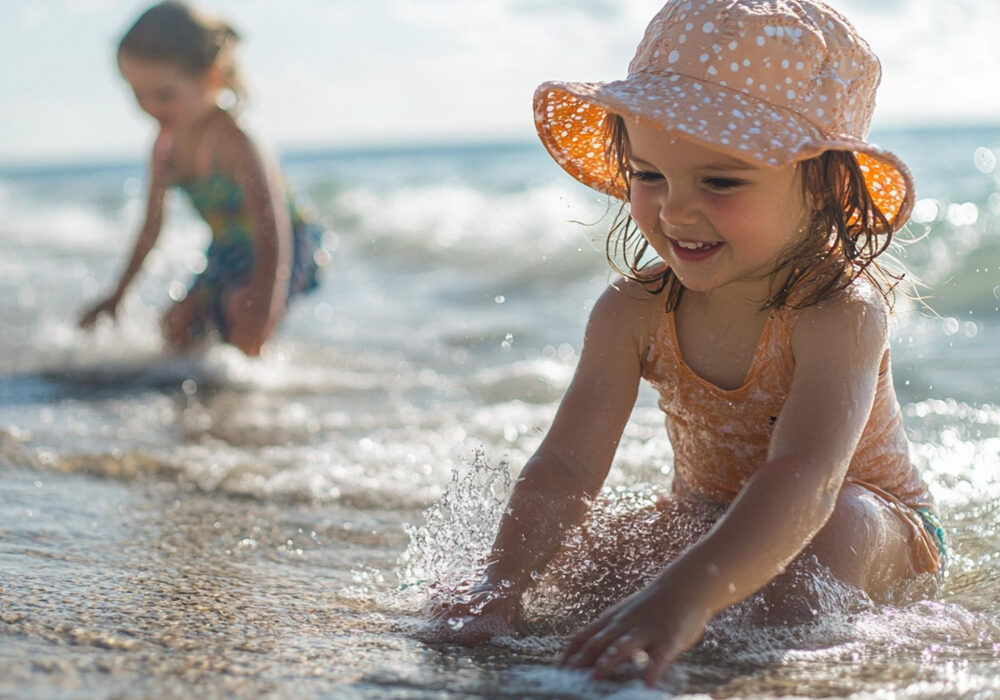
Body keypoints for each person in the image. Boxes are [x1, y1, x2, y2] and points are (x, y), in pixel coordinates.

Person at [422, 0, 946, 685]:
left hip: (870, 527)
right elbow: (568, 470)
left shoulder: (836, 312)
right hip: (710, 516)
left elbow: (806, 479)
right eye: (649, 175)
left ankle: (755, 654)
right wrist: (503, 583)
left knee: (840, 522)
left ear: (823, 184)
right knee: (592, 558)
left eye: (720, 180)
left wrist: (684, 595)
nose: (673, 209)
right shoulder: (632, 310)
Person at [79, 1, 326, 357]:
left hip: (285, 247)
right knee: (175, 325)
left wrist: (266, 303)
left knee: (244, 311)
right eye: (137, 93)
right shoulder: (165, 149)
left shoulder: (234, 139)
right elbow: (151, 228)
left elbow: (270, 224)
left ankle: (252, 395)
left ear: (210, 77)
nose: (148, 107)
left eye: (164, 95)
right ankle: (205, 391)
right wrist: (117, 295)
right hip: (226, 251)